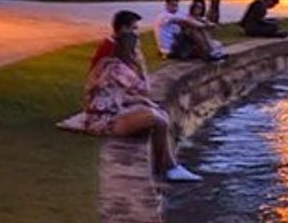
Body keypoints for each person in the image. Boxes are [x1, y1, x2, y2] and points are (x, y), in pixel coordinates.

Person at [83, 10, 200, 182]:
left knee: (159, 112)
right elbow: (144, 88)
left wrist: (142, 101)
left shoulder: (110, 59)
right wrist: (139, 63)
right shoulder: (117, 67)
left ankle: (170, 166)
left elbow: (120, 94)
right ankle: (169, 168)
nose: (137, 36)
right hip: (103, 120)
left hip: (109, 112)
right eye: (134, 30)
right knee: (157, 118)